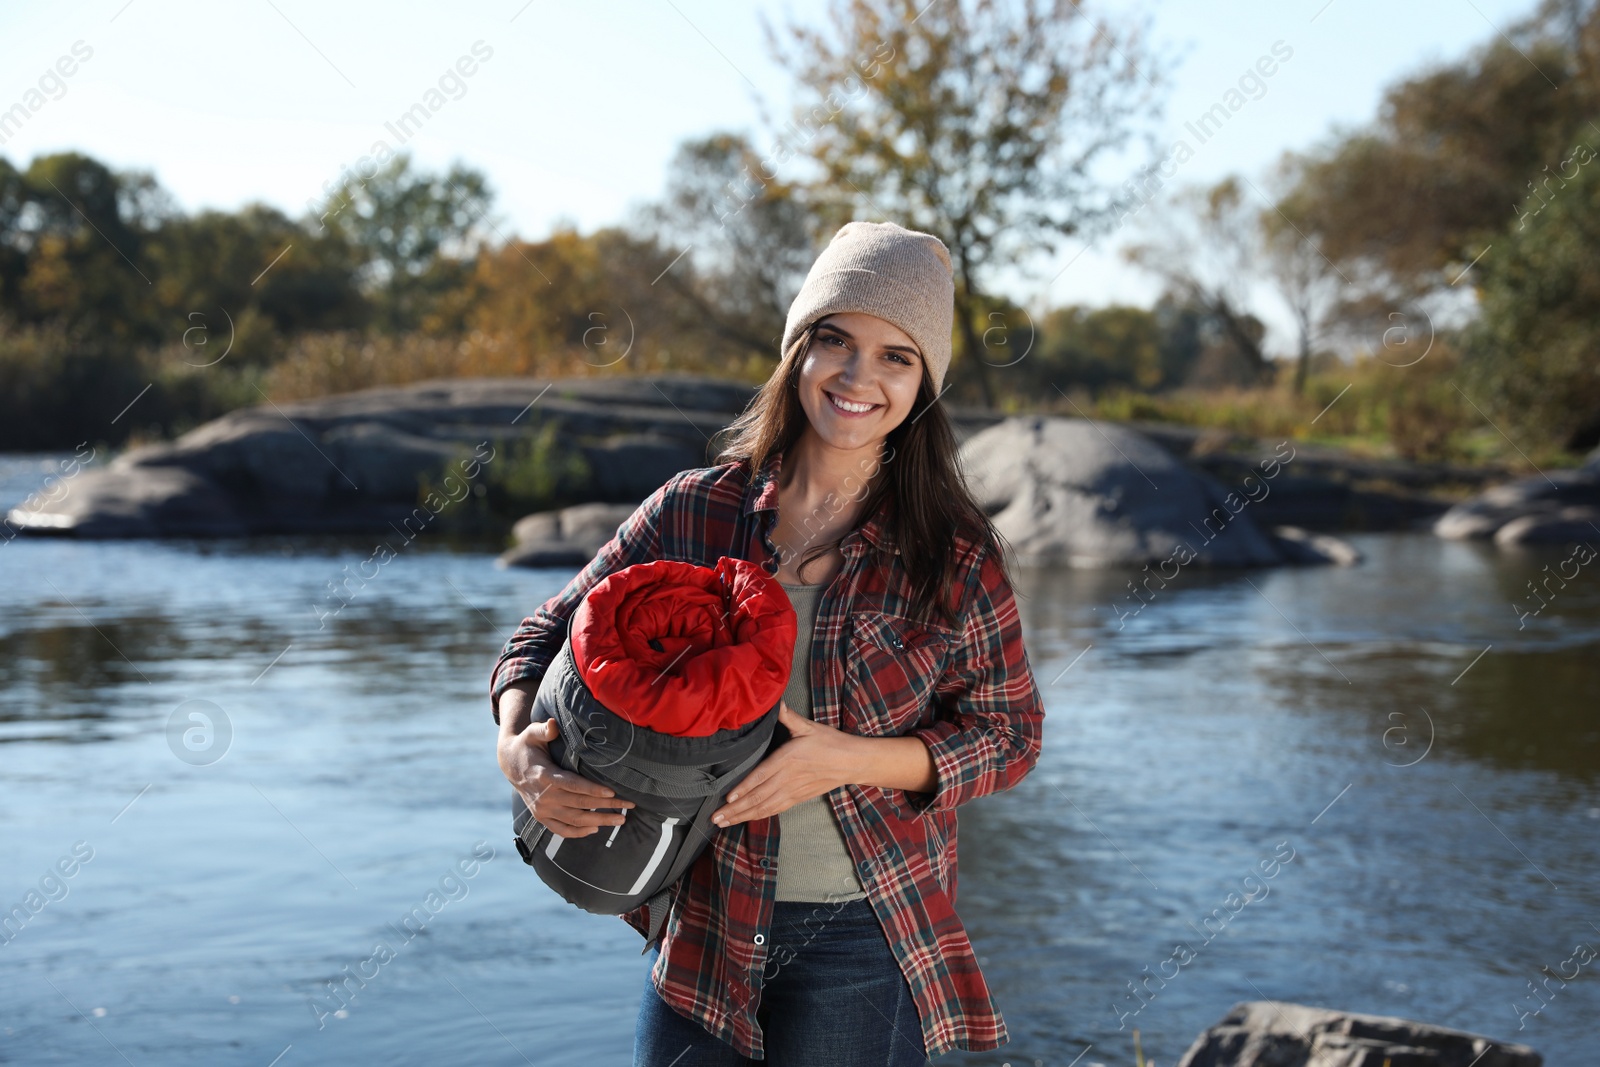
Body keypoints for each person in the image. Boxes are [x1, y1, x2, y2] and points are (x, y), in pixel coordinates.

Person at [490, 220, 1046, 1065]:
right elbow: (540, 635)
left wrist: (849, 759)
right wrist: (520, 753)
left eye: (897, 356)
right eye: (836, 341)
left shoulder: (956, 553)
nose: (860, 376)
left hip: (867, 930)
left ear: (924, 381)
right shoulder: (693, 509)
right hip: (703, 921)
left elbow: (1010, 736)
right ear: (799, 352)